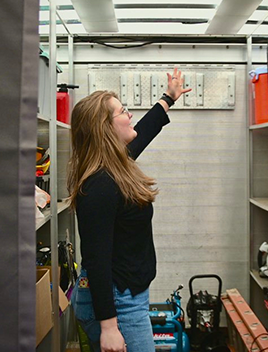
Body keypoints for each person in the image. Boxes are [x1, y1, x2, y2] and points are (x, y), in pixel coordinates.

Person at [68, 67, 191, 352]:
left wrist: (168, 98)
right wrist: (109, 327)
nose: (129, 114)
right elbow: (96, 259)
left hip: (124, 296)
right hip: (117, 304)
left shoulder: (114, 165)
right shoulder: (100, 185)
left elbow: (144, 131)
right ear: (106, 129)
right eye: (123, 111)